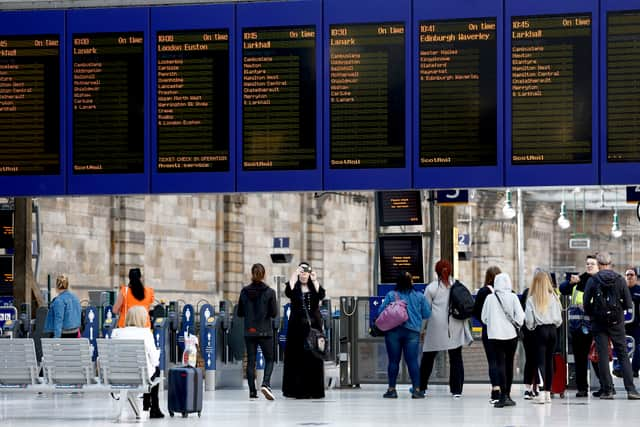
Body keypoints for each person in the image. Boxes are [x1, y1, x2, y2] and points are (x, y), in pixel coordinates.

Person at [583, 252, 640, 400]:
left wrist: (594, 314)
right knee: (622, 355)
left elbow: (586, 303)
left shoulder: (593, 280)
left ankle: (608, 390)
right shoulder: (620, 280)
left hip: (599, 323)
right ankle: (631, 390)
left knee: (602, 356)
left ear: (599, 264)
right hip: (617, 323)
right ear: (610, 263)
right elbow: (628, 304)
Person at [420, 259, 473, 398]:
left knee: (428, 357)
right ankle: (456, 390)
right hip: (455, 325)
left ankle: (421, 387)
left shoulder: (431, 288)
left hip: (436, 326)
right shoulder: (457, 286)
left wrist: (422, 330)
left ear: (436, 272)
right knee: (456, 358)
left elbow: (426, 311)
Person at [380, 271, 431, 399]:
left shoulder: (391, 295)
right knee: (413, 361)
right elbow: (427, 313)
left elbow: (381, 311)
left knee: (393, 361)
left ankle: (392, 390)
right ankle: (417, 390)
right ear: (410, 282)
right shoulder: (419, 296)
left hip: (393, 332)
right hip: (412, 333)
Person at [282, 262, 326, 399]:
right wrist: (294, 275)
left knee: (314, 358)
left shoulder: (314, 287)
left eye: (306, 272)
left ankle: (314, 390)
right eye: (302, 272)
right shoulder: (294, 286)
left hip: (313, 328)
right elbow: (288, 292)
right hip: (296, 328)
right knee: (297, 358)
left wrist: (315, 279)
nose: (304, 275)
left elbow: (321, 295)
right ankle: (297, 390)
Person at [481, 273, 525, 408]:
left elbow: (484, 318)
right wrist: (514, 324)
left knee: (499, 363)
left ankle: (501, 396)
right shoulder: (513, 297)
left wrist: (494, 324)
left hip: (495, 336)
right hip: (511, 336)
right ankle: (508, 395)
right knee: (509, 363)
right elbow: (521, 317)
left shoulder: (489, 298)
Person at [112, 306, 163, 418]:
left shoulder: (116, 332)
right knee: (157, 371)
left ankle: (147, 404)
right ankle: (154, 408)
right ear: (142, 318)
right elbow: (155, 361)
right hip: (141, 376)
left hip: (119, 375)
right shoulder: (146, 333)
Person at [559, 254, 599, 397]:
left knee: (597, 358)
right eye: (587, 263)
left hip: (594, 326)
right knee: (580, 359)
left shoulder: (600, 281)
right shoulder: (579, 280)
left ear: (598, 266)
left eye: (592, 264)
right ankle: (582, 388)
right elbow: (562, 289)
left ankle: (605, 386)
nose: (589, 266)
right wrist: (570, 283)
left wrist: (589, 306)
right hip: (577, 327)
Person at [236, 263, 278, 400]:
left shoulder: (244, 292)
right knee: (270, 359)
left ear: (252, 274)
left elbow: (240, 312)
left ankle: (252, 392)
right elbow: (274, 313)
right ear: (264, 275)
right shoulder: (270, 292)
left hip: (249, 332)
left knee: (251, 362)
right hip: (265, 331)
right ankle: (265, 383)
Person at [525, 271, 563, 404]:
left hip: (539, 331)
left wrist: (532, 327)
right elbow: (559, 320)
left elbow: (529, 321)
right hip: (553, 330)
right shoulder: (554, 297)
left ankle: (541, 394)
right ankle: (547, 393)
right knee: (549, 362)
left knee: (540, 362)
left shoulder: (531, 299)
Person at [472, 266, 502, 404]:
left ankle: (495, 388)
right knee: (503, 361)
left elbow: (476, 311)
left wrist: (486, 322)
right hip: (504, 332)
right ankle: (504, 388)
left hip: (489, 330)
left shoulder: (483, 292)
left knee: (493, 361)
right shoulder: (508, 291)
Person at [519, 285, 538, 399]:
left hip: (528, 332)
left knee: (530, 360)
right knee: (542, 360)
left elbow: (521, 312)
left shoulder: (527, 292)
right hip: (541, 330)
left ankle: (528, 388)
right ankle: (542, 388)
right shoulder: (547, 292)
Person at [623, 267, 640, 378]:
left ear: (636, 277)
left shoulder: (639, 290)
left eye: (631, 275)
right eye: (627, 275)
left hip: (636, 325)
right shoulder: (621, 290)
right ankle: (619, 369)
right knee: (620, 347)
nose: (629, 277)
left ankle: (634, 369)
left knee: (638, 347)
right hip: (622, 325)